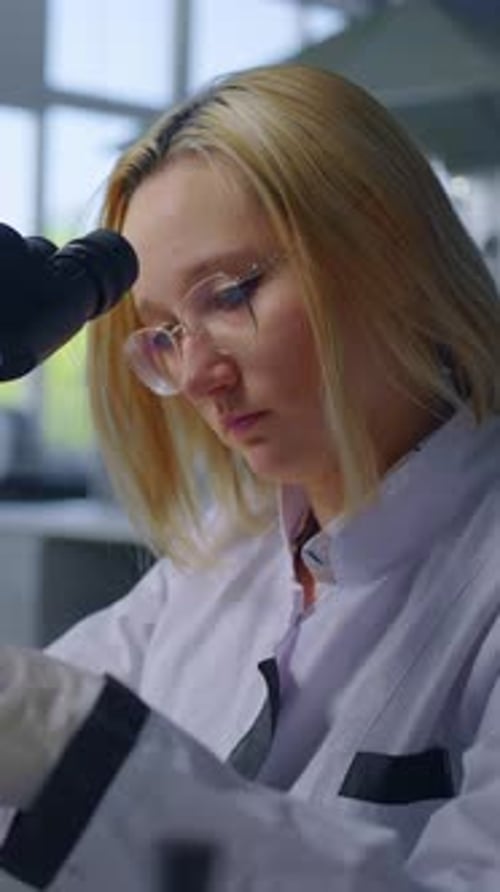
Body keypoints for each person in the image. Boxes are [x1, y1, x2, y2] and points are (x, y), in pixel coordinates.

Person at [1, 62, 500, 891]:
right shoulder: (212, 566)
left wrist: (65, 749)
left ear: (386, 245)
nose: (196, 377)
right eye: (162, 333)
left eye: (230, 294)